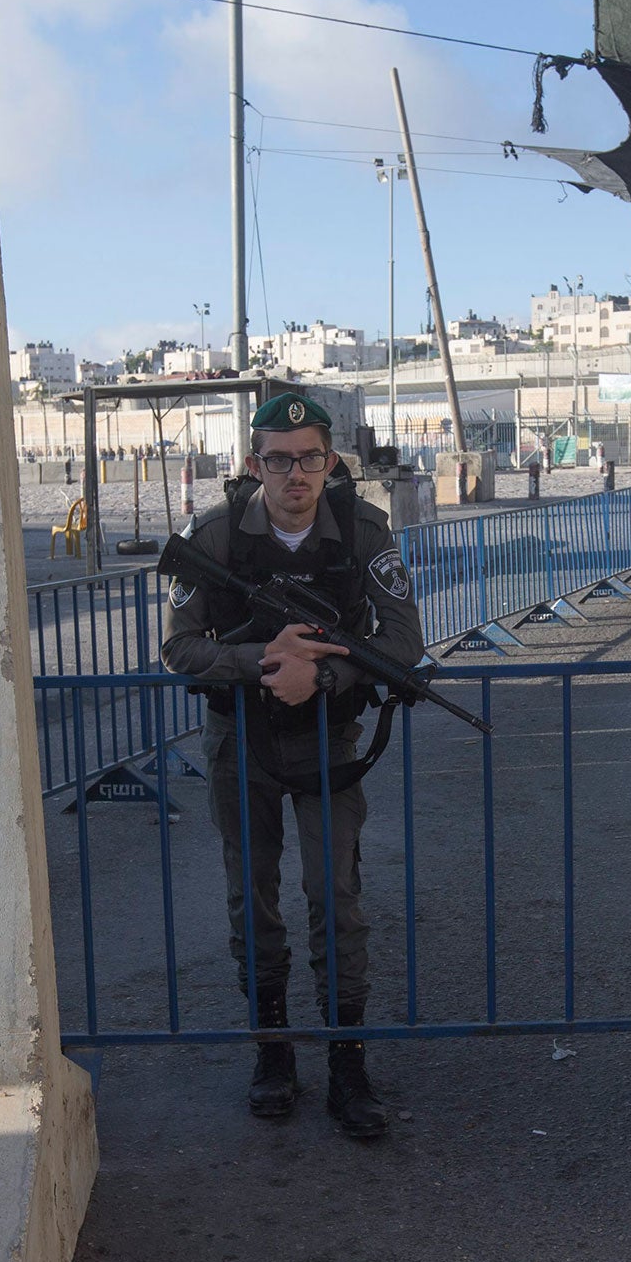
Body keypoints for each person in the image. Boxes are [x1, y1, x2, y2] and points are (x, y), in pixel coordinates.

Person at [161, 393, 423, 1138]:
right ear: (254, 464)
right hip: (239, 737)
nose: (296, 473)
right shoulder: (212, 537)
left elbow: (403, 642)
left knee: (336, 899)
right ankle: (272, 1053)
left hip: (326, 742)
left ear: (331, 461)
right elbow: (181, 647)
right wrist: (263, 660)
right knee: (254, 898)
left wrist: (327, 677)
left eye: (311, 457)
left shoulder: (364, 531)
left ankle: (348, 1064)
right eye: (279, 458)